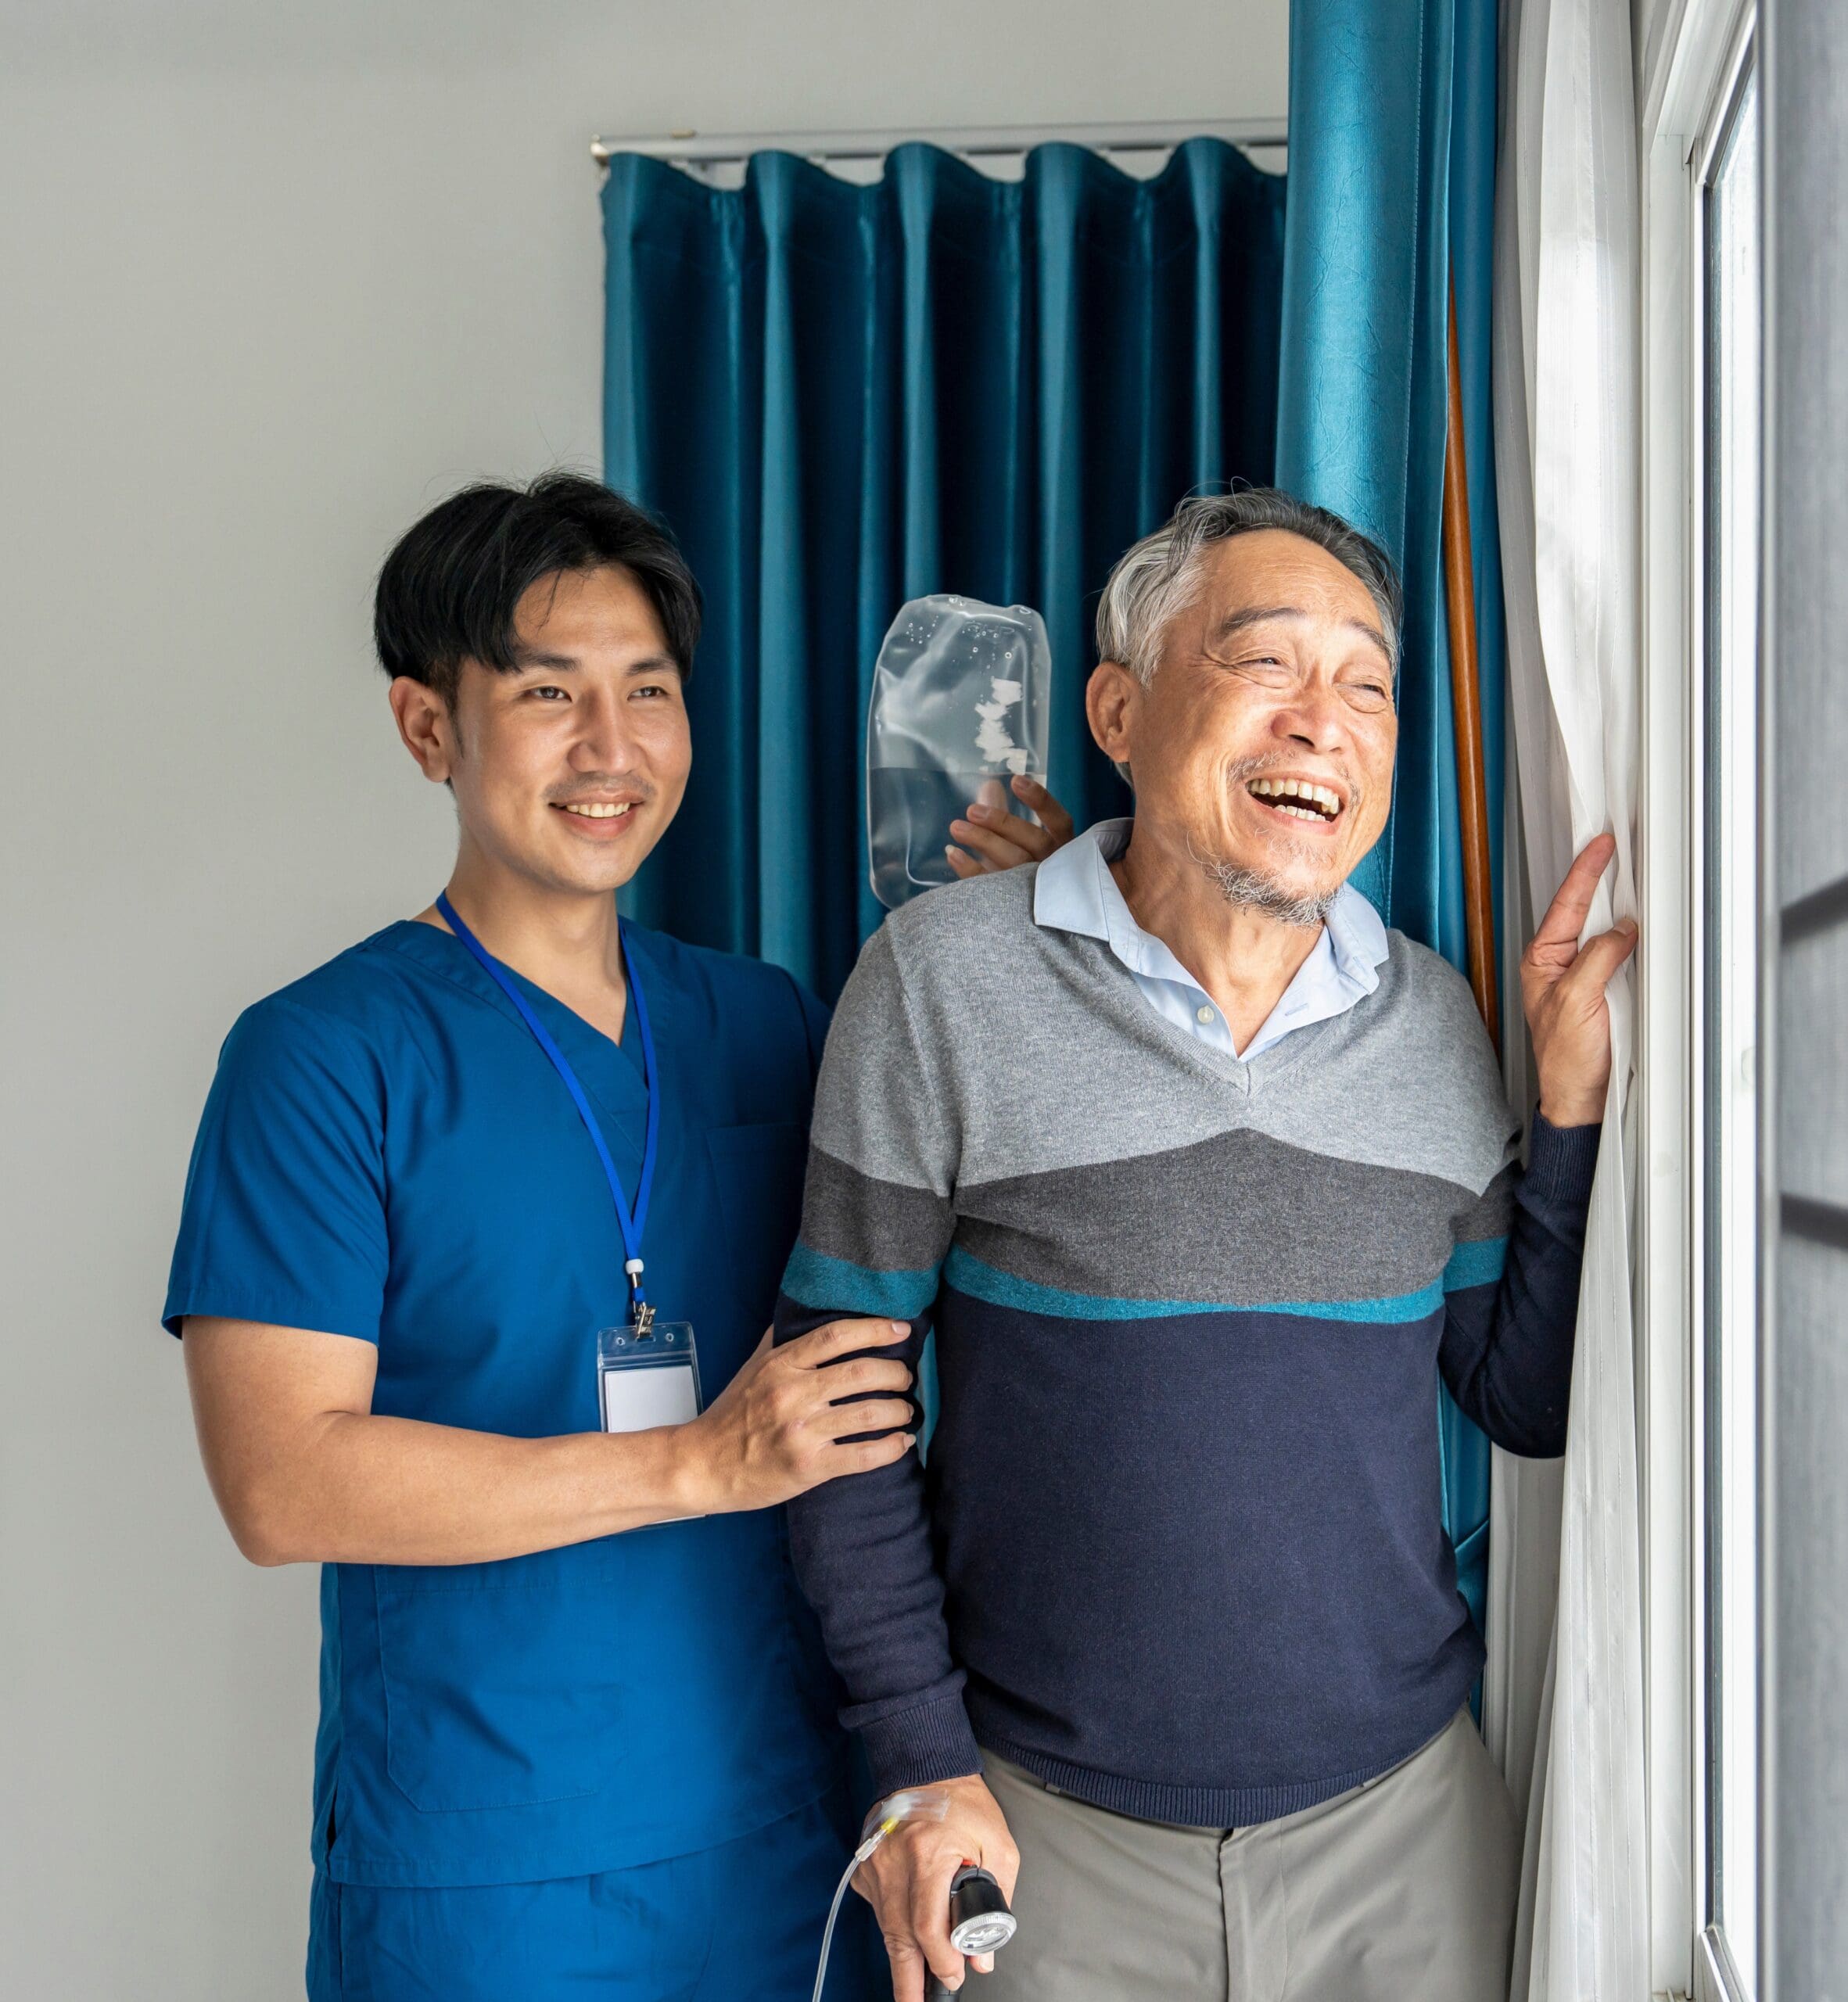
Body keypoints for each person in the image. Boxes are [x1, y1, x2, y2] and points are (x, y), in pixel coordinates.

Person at [163, 472, 1071, 2001]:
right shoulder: (324, 1056)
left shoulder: (770, 1019)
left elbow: (1001, 1272)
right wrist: (694, 1461)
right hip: (488, 1871)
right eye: (549, 692)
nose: (612, 746)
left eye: (648, 690)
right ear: (428, 726)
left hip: (794, 1844)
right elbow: (279, 1474)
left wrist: (1030, 948)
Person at [773, 488, 1639, 2002]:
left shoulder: (1437, 1022)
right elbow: (836, 1419)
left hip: (1409, 1834)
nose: (1326, 722)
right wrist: (921, 1759)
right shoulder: (936, 983)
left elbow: (1518, 1392)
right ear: (1117, 707)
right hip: (1047, 1836)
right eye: (1267, 664)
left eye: (1367, 684)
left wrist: (1565, 1105)